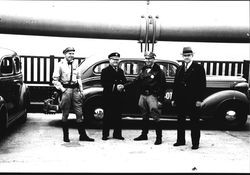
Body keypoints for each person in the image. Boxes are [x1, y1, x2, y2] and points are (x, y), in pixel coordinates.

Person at [52, 47, 94, 142]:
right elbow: (55, 80)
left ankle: (82, 135)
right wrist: (63, 90)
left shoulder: (75, 65)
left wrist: (81, 90)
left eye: (73, 53)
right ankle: (66, 136)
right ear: (65, 54)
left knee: (79, 113)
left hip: (75, 90)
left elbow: (79, 78)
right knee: (65, 113)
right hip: (66, 90)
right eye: (69, 53)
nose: (71, 55)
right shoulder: (60, 65)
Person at [125, 52, 166, 145]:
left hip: (153, 96)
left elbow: (163, 86)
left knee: (156, 116)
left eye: (150, 58)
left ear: (154, 59)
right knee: (144, 116)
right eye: (146, 59)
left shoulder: (159, 71)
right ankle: (144, 134)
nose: (148, 60)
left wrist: (160, 100)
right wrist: (124, 86)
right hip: (143, 95)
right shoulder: (143, 70)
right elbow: (136, 80)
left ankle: (159, 137)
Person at [171, 47, 206, 150]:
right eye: (185, 56)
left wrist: (199, 100)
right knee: (180, 121)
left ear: (192, 56)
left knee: (194, 122)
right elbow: (176, 85)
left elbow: (202, 85)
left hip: (193, 100)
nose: (186, 57)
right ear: (182, 56)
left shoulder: (198, 68)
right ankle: (180, 140)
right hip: (181, 100)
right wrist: (174, 98)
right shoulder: (180, 68)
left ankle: (195, 143)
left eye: (188, 55)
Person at [101, 52, 127, 141]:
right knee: (107, 115)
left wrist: (122, 85)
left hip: (118, 97)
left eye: (117, 60)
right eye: (114, 59)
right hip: (109, 96)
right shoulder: (105, 71)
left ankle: (117, 134)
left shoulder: (120, 71)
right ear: (109, 60)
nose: (116, 61)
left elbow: (124, 80)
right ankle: (105, 134)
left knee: (118, 116)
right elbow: (104, 83)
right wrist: (115, 86)